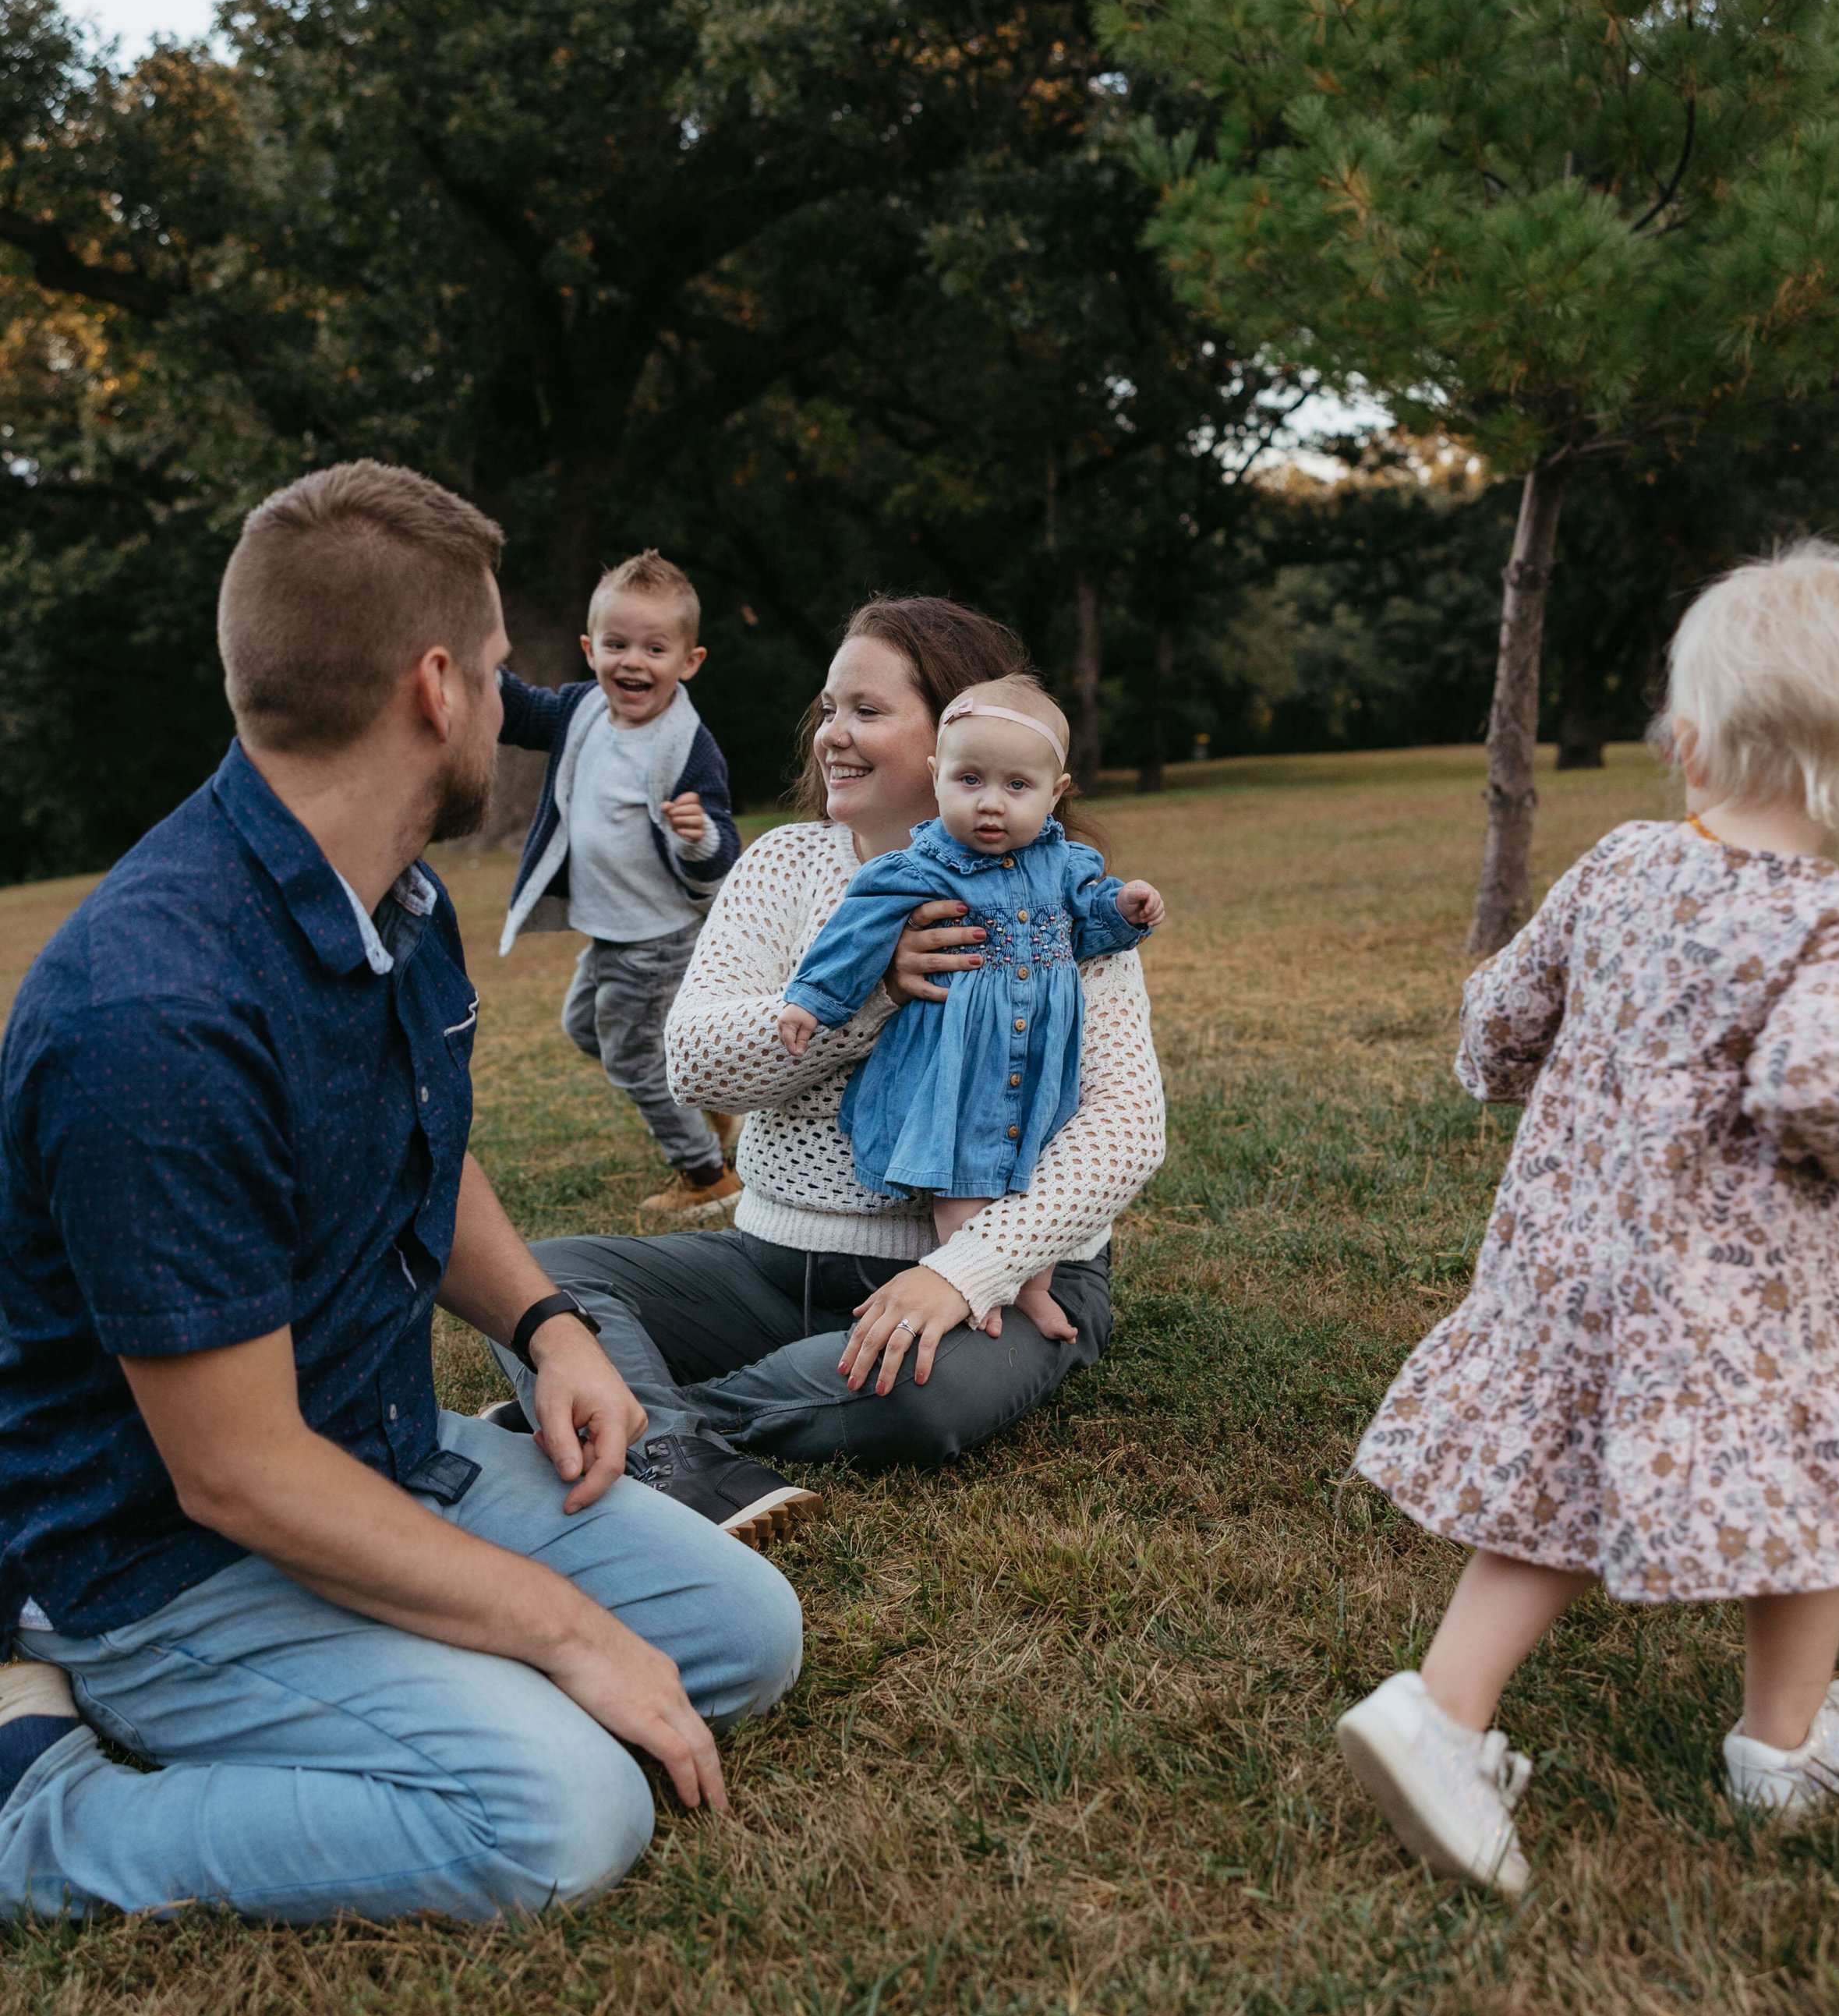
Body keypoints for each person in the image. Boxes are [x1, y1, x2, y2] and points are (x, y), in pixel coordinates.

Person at [0, 464, 801, 1926]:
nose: (513, 703)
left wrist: (553, 1325)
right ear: (437, 688)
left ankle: (422, 1657)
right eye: (501, 671)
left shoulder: (394, 897)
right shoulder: (155, 1013)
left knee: (746, 1638)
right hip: (162, 1555)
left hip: (373, 1460)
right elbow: (231, 1472)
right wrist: (558, 1631)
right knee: (559, 1811)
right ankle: (41, 1807)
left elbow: (421, 1143)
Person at [1337, 543, 1839, 1899]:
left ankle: (1444, 1711)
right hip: (1758, 1299)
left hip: (1575, 1257)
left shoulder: (1620, 864)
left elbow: (1503, 1011)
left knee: (1552, 1486)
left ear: (1689, 742)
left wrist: (1506, 1081)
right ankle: (1781, 1748)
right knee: (1818, 1480)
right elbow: (1814, 1080)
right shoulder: (1830, 916)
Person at [479, 598, 1167, 1477]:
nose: (832, 735)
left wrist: (965, 1270)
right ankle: (673, 1431)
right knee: (539, 1281)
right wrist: (871, 991)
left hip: (992, 1284)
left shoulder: (1063, 900)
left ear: (964, 733)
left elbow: (1123, 1130)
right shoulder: (784, 863)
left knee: (919, 1395)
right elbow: (693, 1063)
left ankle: (639, 1420)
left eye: (867, 712)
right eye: (829, 709)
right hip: (777, 1272)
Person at [778, 675, 1164, 1342]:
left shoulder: (1064, 865)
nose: (991, 805)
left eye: (1017, 787)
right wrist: (812, 1000)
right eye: (970, 781)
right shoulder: (923, 865)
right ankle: (977, 1290)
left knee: (1032, 1174)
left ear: (1055, 792)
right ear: (937, 777)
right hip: (958, 1066)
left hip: (1040, 1060)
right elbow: (856, 934)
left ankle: (1033, 1290)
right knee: (966, 1182)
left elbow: (1090, 925)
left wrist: (1123, 910)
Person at [498, 548, 744, 1224]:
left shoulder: (687, 745)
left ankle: (705, 1175)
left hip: (658, 934)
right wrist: (469, 664)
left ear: (688, 662)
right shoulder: (581, 713)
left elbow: (723, 846)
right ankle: (702, 1097)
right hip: (610, 930)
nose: (633, 662)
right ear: (590, 648)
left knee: (634, 1058)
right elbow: (518, 712)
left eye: (655, 648)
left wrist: (697, 836)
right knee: (586, 1028)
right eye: (616, 644)